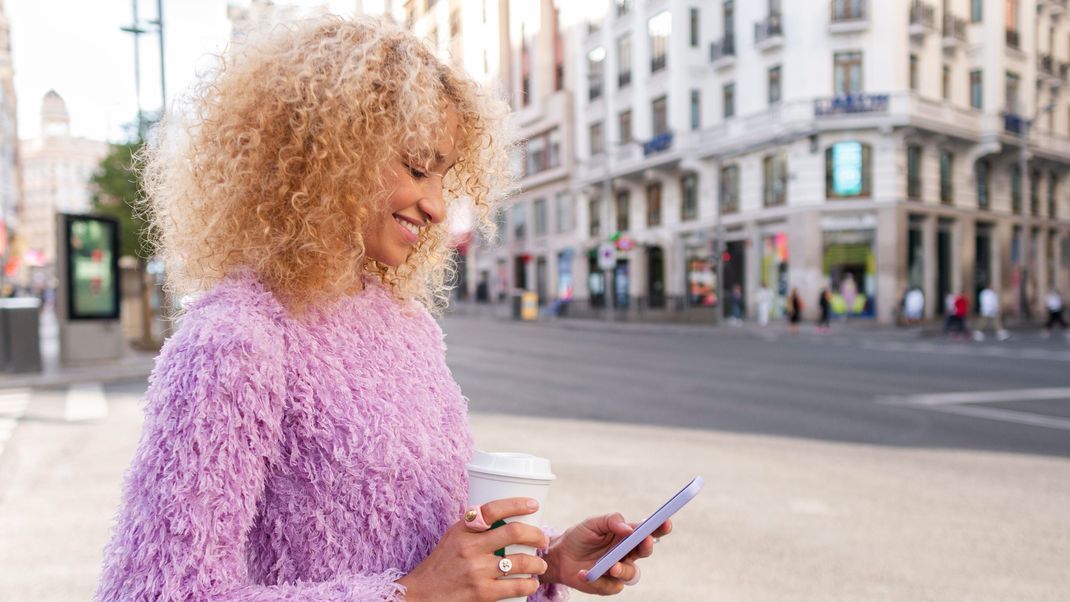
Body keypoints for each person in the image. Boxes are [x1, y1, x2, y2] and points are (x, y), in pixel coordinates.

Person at [95, 17, 670, 602]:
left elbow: (426, 534)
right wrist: (407, 594)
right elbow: (150, 592)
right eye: (417, 168)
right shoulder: (233, 339)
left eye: (445, 177)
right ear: (322, 156)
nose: (438, 206)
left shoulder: (406, 324)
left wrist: (543, 559)